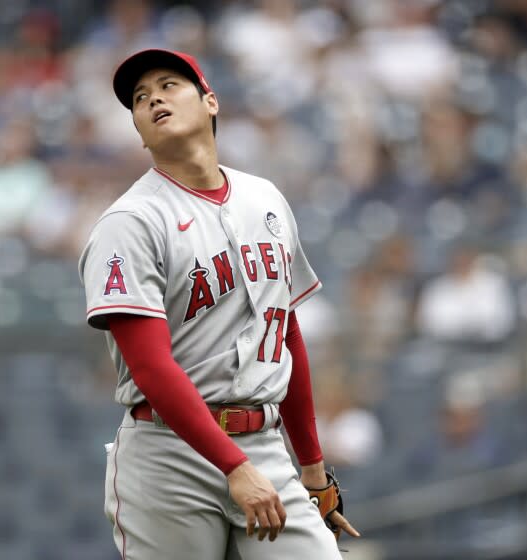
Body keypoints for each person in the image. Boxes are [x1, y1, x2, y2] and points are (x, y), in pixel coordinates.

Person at [79, 49, 359, 559]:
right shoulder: (131, 222)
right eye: (140, 98)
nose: (153, 98)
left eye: (169, 85)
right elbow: (149, 366)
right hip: (168, 454)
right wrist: (233, 466)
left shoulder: (265, 199)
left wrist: (314, 469)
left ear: (210, 101)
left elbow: (285, 334)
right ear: (140, 132)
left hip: (263, 443)